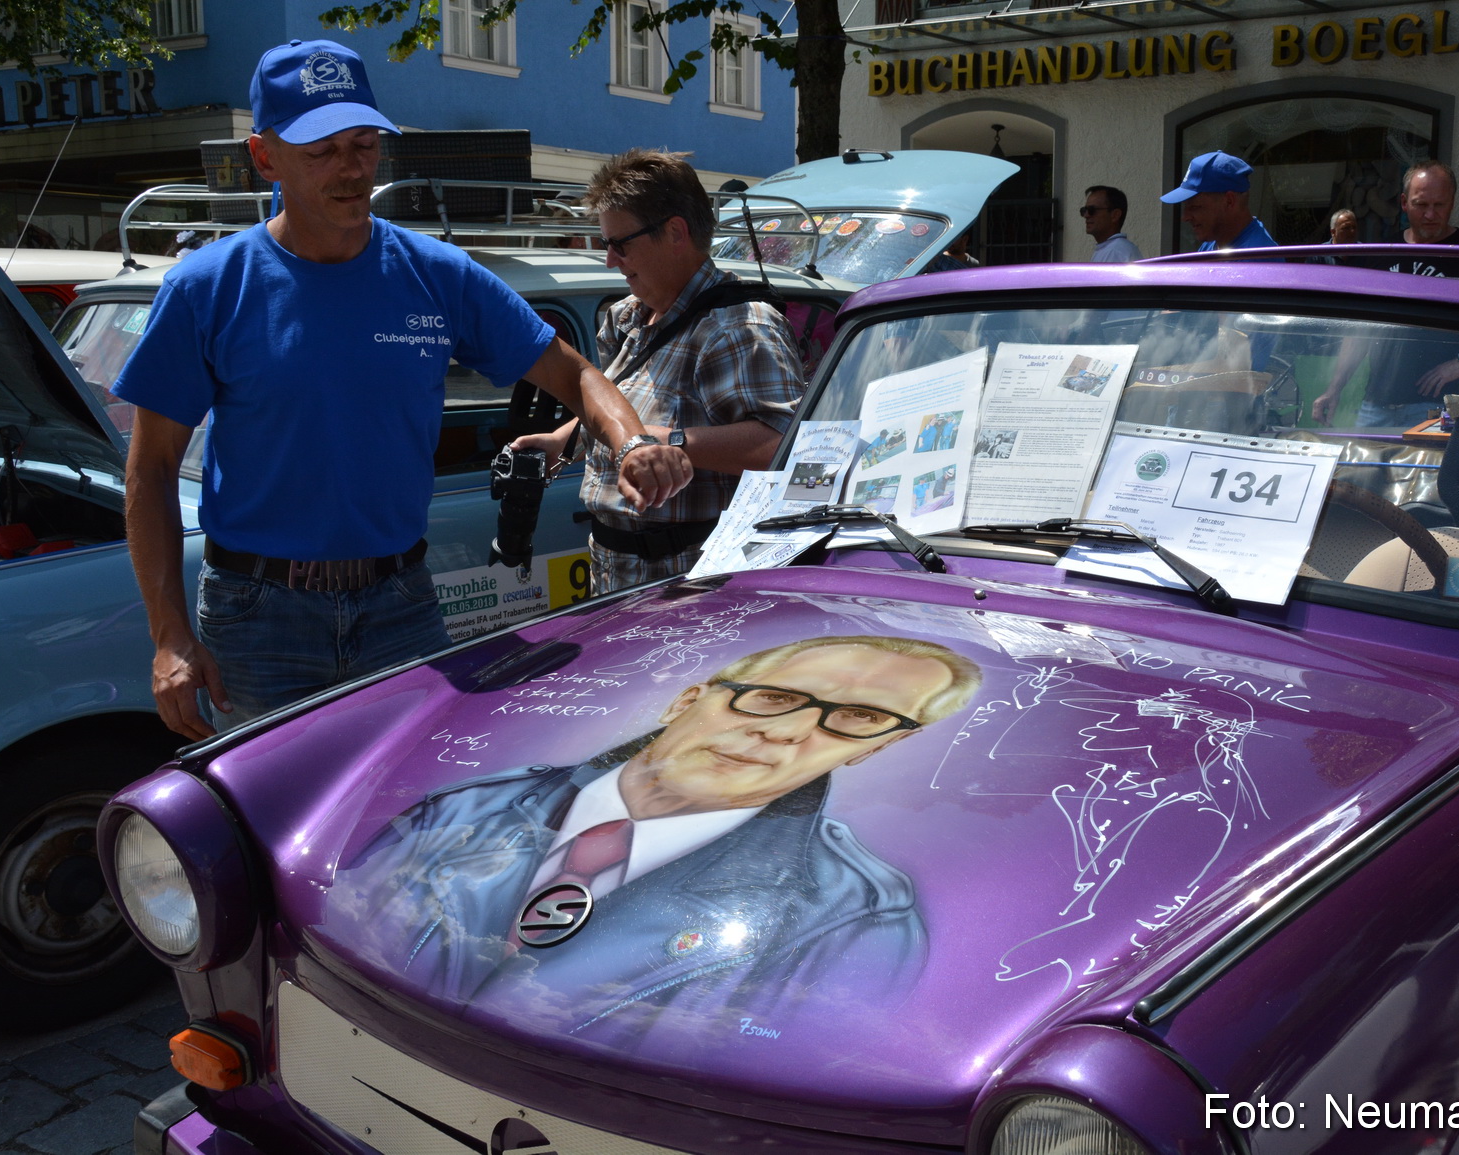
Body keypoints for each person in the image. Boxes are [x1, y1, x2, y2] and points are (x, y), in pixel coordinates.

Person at [112, 40, 690, 741]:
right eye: (322, 150)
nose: (352, 169)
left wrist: (630, 441)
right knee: (278, 822)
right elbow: (149, 470)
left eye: (364, 144)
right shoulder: (206, 287)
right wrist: (169, 634)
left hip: (400, 605)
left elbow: (575, 373)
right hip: (258, 618)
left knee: (404, 822)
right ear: (265, 157)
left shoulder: (435, 274)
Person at [333, 635, 984, 1033]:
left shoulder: (851, 918)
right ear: (688, 698)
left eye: (857, 717)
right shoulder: (460, 809)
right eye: (772, 697)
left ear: (874, 748)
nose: (785, 732)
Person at [513, 149, 805, 595]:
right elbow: (618, 402)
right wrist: (562, 440)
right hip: (615, 572)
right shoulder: (627, 317)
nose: (611, 260)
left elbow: (780, 446)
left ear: (675, 232)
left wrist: (656, 441)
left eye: (620, 244)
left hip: (691, 584)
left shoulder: (740, 326)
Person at [1310, 162, 1459, 426]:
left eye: (1439, 205)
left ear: (1452, 203)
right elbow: (1359, 332)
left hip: (1438, 407)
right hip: (1375, 403)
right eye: (1421, 204)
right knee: (1362, 469)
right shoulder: (1380, 253)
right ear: (1404, 203)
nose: (1430, 214)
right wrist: (1334, 388)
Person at [1161, 152, 1277, 251]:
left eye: (1195, 207)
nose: (1185, 217)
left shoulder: (1258, 258)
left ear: (1229, 201)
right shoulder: (1210, 246)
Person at [1081, 186, 1143, 262]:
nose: (1086, 215)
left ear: (1115, 215)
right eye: (1084, 210)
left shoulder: (1118, 251)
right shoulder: (1108, 249)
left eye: (1092, 210)